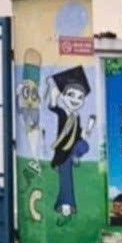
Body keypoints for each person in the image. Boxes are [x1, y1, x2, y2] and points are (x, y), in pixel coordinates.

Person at [45, 66, 96, 226]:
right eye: (71, 95)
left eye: (80, 97)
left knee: (84, 146)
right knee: (66, 178)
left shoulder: (76, 116)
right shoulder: (63, 113)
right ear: (63, 96)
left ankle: (75, 157)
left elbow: (79, 135)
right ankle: (66, 205)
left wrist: (88, 129)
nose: (76, 100)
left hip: (71, 150)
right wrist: (53, 91)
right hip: (62, 152)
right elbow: (53, 106)